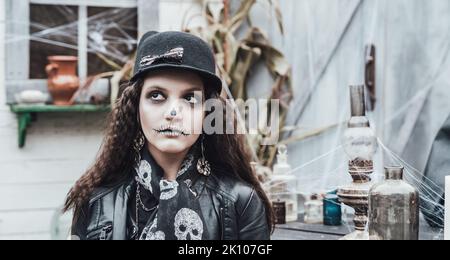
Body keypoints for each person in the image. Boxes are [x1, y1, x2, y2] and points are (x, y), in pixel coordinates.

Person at [63, 31, 273, 240]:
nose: (173, 113)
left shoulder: (242, 202)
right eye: (156, 96)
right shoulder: (95, 199)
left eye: (190, 98)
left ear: (207, 112)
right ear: (136, 108)